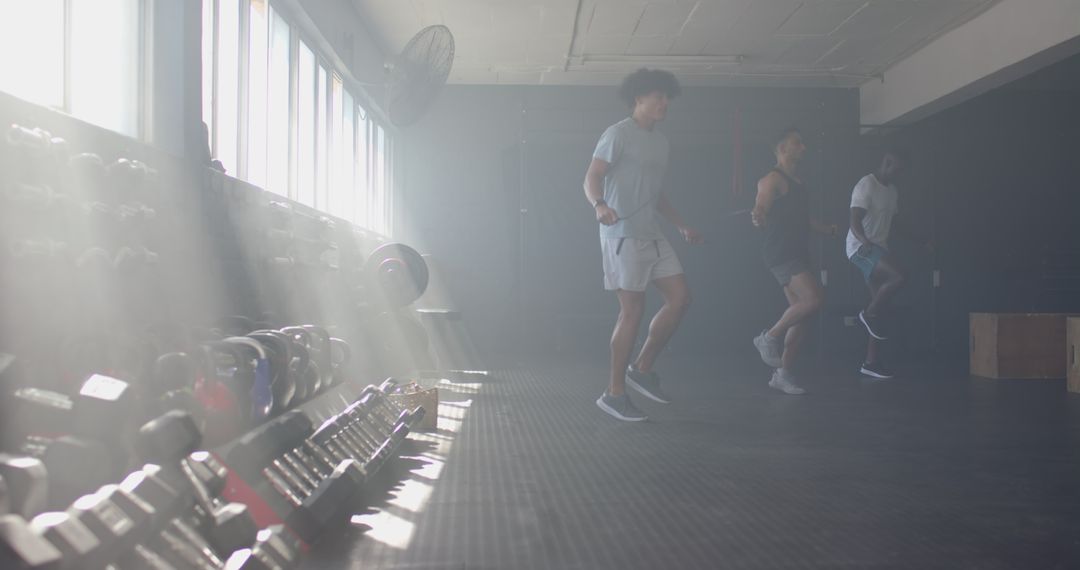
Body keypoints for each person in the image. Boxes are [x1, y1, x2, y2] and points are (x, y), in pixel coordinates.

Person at [583, 68, 702, 422]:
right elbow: (591, 176)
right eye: (657, 96)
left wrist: (680, 224)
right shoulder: (617, 134)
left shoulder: (661, 142)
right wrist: (599, 204)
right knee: (632, 311)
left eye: (667, 97)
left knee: (681, 299)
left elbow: (656, 192)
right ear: (639, 99)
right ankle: (613, 394)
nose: (664, 103)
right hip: (622, 235)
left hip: (652, 232)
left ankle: (642, 368)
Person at [751, 128, 837, 395]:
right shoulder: (771, 179)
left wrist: (825, 229)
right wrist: (759, 215)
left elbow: (801, 219)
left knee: (802, 315)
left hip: (798, 251)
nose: (803, 147)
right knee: (814, 299)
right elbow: (761, 207)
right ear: (782, 148)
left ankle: (782, 373)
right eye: (797, 143)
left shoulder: (798, 181)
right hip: (781, 252)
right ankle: (769, 337)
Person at [848, 149, 930, 378]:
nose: (899, 174)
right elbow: (854, 219)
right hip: (860, 248)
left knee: (881, 310)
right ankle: (867, 313)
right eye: (897, 169)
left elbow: (895, 223)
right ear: (887, 162)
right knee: (899, 276)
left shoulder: (892, 191)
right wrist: (864, 241)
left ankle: (870, 363)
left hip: (879, 249)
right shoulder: (866, 185)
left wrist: (919, 240)